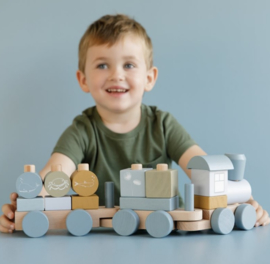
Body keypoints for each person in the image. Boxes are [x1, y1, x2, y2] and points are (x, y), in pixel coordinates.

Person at [1, 14, 269, 233]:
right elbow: (54, 176)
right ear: (83, 79)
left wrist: (240, 200)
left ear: (149, 78)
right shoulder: (82, 130)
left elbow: (203, 169)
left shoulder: (163, 125)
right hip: (108, 236)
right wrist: (29, 201)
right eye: (102, 65)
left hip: (168, 232)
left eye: (129, 65)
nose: (116, 75)